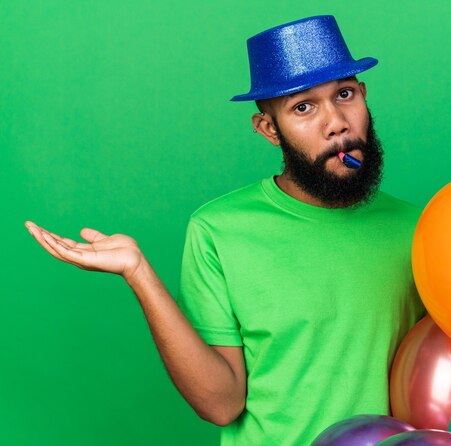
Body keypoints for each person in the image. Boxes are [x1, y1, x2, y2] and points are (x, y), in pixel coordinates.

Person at [25, 15, 425, 445]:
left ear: (363, 95)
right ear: (268, 129)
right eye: (303, 107)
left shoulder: (420, 229)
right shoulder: (219, 230)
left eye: (344, 94)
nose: (336, 123)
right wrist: (138, 273)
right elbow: (221, 404)